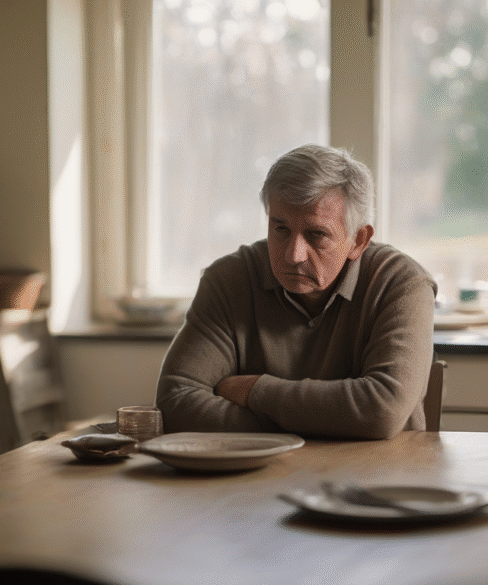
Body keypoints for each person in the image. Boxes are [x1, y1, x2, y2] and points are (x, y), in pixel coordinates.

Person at [155, 144, 437, 440]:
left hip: (378, 478)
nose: (293, 254)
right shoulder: (229, 280)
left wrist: (255, 390)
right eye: (281, 229)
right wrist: (322, 423)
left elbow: (382, 410)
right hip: (256, 479)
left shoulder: (402, 284)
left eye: (316, 234)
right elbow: (175, 402)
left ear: (358, 240)